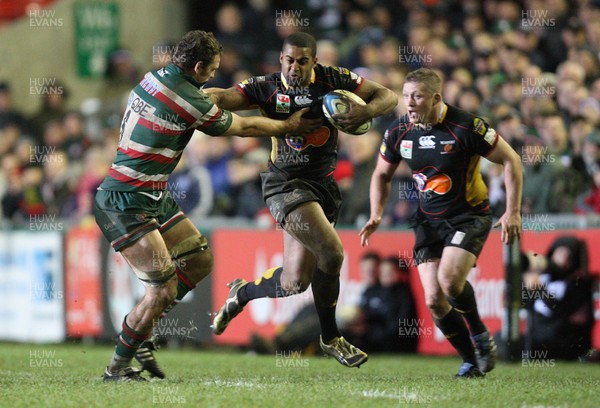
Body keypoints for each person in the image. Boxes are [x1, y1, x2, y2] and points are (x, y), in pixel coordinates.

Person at [92, 30, 320, 382]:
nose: (213, 75)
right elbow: (242, 127)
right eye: (211, 69)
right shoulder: (186, 99)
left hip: (152, 193)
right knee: (163, 289)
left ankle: (143, 329)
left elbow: (200, 104)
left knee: (199, 260)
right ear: (197, 66)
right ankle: (118, 366)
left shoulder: (154, 77)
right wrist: (286, 125)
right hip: (124, 201)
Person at [209, 32, 398, 368]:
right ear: (281, 59)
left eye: (302, 61)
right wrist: (186, 96)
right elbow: (221, 97)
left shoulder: (333, 79)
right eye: (288, 60)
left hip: (322, 186)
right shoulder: (265, 87)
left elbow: (388, 96)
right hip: (284, 185)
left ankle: (242, 292)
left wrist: (364, 111)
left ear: (314, 62)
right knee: (333, 251)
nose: (294, 68)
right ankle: (331, 338)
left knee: (294, 281)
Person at [359, 68, 523, 377]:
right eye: (406, 96)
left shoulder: (467, 127)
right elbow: (381, 174)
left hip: (468, 215)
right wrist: (376, 213)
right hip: (427, 221)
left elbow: (511, 159)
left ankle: (480, 337)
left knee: (449, 281)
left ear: (436, 98)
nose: (409, 103)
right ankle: (470, 361)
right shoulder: (399, 131)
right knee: (434, 300)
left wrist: (513, 210)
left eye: (417, 96)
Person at [522, 236, 594, 360]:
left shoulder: (579, 282)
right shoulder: (543, 276)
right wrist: (526, 284)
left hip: (563, 341)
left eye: (568, 255)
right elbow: (526, 306)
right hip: (537, 338)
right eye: (560, 253)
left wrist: (540, 290)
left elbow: (560, 310)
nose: (563, 259)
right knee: (504, 340)